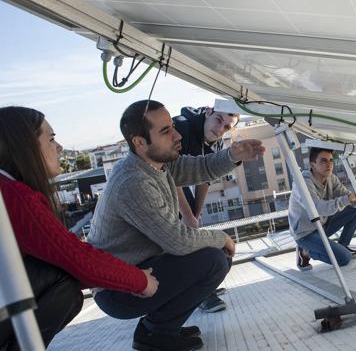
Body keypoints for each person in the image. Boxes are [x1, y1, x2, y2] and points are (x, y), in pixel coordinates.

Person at [87, 100, 264, 351]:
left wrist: (233, 155)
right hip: (117, 290)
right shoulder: (133, 181)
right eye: (165, 131)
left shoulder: (158, 162)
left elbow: (200, 168)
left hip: (140, 272)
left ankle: (159, 328)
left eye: (172, 127)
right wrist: (222, 237)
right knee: (212, 259)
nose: (177, 135)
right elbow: (178, 242)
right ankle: (155, 334)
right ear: (139, 142)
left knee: (215, 258)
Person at [0, 106, 158, 351]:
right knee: (63, 279)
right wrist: (139, 281)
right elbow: (74, 257)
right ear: (24, 146)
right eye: (51, 139)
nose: (60, 147)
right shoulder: (13, 195)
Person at [172, 106, 239, 313]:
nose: (220, 129)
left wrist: (196, 215)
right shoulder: (183, 127)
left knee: (191, 219)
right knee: (178, 235)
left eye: (227, 127)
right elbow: (172, 177)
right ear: (208, 112)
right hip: (157, 183)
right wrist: (188, 216)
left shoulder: (216, 142)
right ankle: (197, 294)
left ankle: (202, 286)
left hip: (175, 182)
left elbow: (205, 180)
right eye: (218, 120)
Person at [288, 147, 356, 271]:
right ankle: (306, 251)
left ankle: (343, 245)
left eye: (331, 160)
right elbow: (318, 209)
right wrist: (348, 199)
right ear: (313, 165)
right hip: (305, 233)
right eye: (323, 161)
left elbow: (344, 195)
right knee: (344, 259)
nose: (329, 164)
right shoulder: (302, 183)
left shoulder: (331, 177)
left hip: (322, 226)